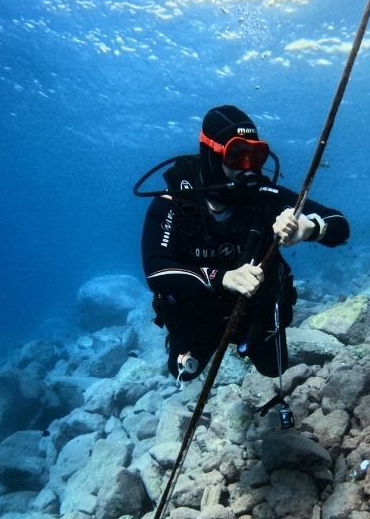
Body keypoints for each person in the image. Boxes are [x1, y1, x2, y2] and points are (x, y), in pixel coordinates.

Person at [140, 104, 349, 383]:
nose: (248, 167)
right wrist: (223, 277)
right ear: (212, 154)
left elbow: (340, 224)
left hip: (252, 309)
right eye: (237, 155)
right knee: (182, 373)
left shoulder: (263, 195)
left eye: (256, 155)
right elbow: (156, 269)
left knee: (274, 369)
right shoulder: (175, 200)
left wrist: (309, 228)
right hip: (198, 309)